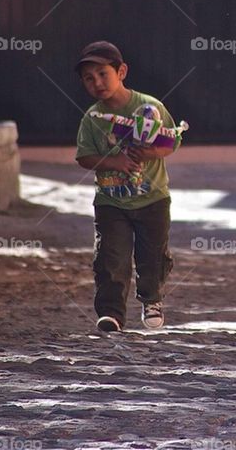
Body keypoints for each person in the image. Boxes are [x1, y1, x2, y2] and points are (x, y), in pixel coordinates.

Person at [75, 41, 179, 333]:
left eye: (103, 74)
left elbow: (171, 141)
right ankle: (111, 313)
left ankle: (151, 298)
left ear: (121, 71)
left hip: (153, 198)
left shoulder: (150, 107)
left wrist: (150, 153)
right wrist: (114, 161)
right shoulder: (93, 119)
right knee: (111, 256)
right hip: (111, 202)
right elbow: (84, 157)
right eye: (88, 78)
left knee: (151, 255)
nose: (97, 83)